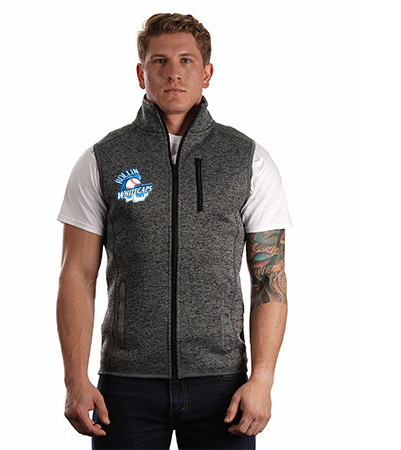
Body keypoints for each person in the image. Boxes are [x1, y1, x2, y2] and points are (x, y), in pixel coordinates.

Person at [56, 13, 292, 450]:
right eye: (159, 61)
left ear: (207, 73)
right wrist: (75, 379)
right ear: (141, 73)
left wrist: (262, 378)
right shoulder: (102, 160)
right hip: (126, 386)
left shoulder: (249, 160)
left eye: (186, 60)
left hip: (222, 385)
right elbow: (76, 274)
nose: (174, 73)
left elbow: (269, 278)